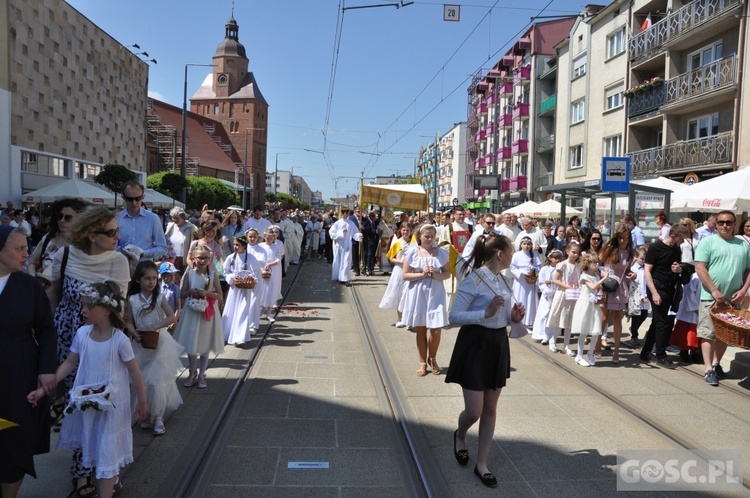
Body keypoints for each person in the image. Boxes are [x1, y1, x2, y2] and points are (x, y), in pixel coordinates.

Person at [29, 281, 147, 498]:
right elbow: (69, 363)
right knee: (93, 448)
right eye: (82, 305)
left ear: (106, 309)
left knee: (107, 452)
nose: (82, 310)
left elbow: (135, 372)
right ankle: (104, 485)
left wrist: (142, 401)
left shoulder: (119, 340)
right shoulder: (82, 334)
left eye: (88, 306)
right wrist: (45, 390)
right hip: (89, 403)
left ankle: (106, 492)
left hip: (111, 407)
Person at [48, 206, 130, 496]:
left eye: (117, 231)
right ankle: (81, 471)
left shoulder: (118, 261)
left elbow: (118, 308)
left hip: (103, 342)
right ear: (92, 235)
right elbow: (54, 297)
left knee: (105, 404)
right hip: (69, 338)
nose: (117, 236)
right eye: (111, 232)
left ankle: (107, 467)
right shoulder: (65, 255)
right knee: (79, 405)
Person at [445, 233, 525, 488]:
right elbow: (454, 316)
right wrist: (485, 312)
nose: (513, 256)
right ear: (499, 254)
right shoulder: (474, 280)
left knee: (490, 408)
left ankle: (482, 464)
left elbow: (502, 317)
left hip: (497, 344)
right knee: (474, 411)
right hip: (475, 344)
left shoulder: (504, 279)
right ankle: (460, 434)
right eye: (510, 251)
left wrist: (514, 317)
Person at [0, 227, 57, 498]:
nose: (26, 254)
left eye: (26, 247)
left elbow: (46, 329)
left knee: (14, 444)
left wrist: (46, 370)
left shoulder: (28, 286)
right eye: (19, 249)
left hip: (18, 377)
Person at [124, 261, 182, 436]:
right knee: (142, 380)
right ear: (138, 280)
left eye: (154, 278)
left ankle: (158, 417)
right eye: (147, 278)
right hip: (141, 344)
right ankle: (145, 411)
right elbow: (128, 320)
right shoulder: (132, 300)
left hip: (160, 343)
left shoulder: (159, 298)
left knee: (157, 381)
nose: (151, 282)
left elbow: (171, 317)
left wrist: (155, 326)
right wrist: (134, 331)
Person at [694, 211, 750, 385]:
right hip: (711, 297)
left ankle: (717, 363)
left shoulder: (743, 244)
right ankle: (708, 369)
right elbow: (700, 268)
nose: (725, 225)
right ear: (716, 224)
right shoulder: (708, 242)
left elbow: (749, 270)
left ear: (734, 224)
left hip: (733, 298)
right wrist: (714, 290)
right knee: (708, 334)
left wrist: (743, 290)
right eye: (721, 222)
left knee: (725, 335)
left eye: (729, 222)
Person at [401, 224, 451, 376]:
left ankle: (433, 358)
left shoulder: (441, 253)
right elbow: (405, 275)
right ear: (419, 236)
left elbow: (447, 273)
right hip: (418, 293)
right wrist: (422, 274)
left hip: (436, 293)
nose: (429, 239)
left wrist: (435, 275)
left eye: (431, 236)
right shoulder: (412, 252)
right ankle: (422, 362)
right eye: (426, 236)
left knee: (436, 330)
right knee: (421, 329)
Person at [173, 244, 224, 390]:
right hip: (192, 310)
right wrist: (190, 292)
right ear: (194, 258)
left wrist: (207, 293)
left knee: (204, 343)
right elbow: (181, 294)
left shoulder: (212, 274)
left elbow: (220, 295)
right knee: (191, 342)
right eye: (200, 258)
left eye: (206, 258)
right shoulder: (189, 272)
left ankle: (202, 374)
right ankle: (192, 372)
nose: (203, 260)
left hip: (207, 310)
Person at [639, 224, 690, 367]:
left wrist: (679, 269)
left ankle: (645, 352)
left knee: (657, 321)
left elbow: (679, 265)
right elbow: (647, 271)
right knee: (663, 323)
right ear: (673, 236)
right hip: (656, 287)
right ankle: (660, 355)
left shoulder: (676, 248)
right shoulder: (656, 247)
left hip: (670, 288)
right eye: (681, 239)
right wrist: (654, 293)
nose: (683, 242)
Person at [597, 227, 635, 363]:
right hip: (607, 284)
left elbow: (627, 269)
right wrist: (604, 274)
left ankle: (616, 351)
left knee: (618, 317)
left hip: (620, 286)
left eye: (625, 238)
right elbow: (598, 262)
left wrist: (632, 274)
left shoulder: (630, 253)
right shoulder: (610, 249)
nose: (622, 240)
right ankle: (597, 345)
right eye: (620, 237)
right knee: (604, 317)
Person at [222, 236, 262, 345]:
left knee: (243, 310)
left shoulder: (251, 258)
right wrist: (232, 278)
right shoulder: (231, 258)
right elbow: (226, 272)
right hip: (234, 289)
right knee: (232, 309)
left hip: (245, 290)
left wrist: (249, 277)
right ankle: (228, 333)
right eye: (234, 244)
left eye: (237, 245)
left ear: (244, 246)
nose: (235, 247)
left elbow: (255, 272)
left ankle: (240, 337)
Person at [571, 252, 607, 367]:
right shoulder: (584, 275)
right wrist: (604, 278)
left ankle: (590, 353)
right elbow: (592, 287)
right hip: (585, 304)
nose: (596, 264)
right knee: (584, 330)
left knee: (596, 330)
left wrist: (600, 290)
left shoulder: (596, 275)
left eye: (596, 262)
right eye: (593, 262)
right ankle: (579, 355)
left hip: (594, 304)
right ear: (587, 263)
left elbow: (598, 288)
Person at [116, 181, 167, 262]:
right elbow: (112, 246)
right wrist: (121, 251)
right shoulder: (117, 219)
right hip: (122, 267)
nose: (134, 202)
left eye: (137, 198)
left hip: (144, 268)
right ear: (124, 198)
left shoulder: (152, 218)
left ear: (143, 197)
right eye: (130, 199)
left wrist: (143, 253)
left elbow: (162, 248)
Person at [548, 241, 581, 355]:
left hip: (573, 296)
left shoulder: (578, 266)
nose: (575, 255)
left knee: (569, 320)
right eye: (573, 252)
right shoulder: (562, 264)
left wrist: (579, 288)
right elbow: (556, 280)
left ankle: (566, 346)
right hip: (563, 294)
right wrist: (567, 286)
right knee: (559, 317)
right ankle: (553, 341)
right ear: (567, 251)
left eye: (577, 253)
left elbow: (579, 279)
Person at [379, 223, 414, 327]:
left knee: (409, 294)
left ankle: (409, 319)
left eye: (407, 230)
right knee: (399, 294)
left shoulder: (414, 243)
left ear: (410, 231)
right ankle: (400, 317)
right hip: (399, 270)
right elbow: (391, 257)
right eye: (403, 230)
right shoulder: (397, 242)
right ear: (400, 231)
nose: (405, 232)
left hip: (411, 271)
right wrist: (400, 261)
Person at [531, 250, 562, 344]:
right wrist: (547, 292)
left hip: (557, 294)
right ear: (550, 258)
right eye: (555, 258)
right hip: (547, 296)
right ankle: (542, 334)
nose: (557, 260)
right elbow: (541, 282)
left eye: (559, 258)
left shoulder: (561, 269)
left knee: (553, 315)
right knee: (544, 314)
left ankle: (550, 335)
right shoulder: (545, 269)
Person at [510, 236, 541, 328]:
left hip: (530, 281)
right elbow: (512, 267)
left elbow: (538, 266)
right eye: (524, 244)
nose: (527, 246)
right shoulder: (517, 255)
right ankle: (519, 319)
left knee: (530, 299)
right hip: (520, 282)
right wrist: (521, 273)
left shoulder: (534, 255)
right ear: (521, 245)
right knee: (521, 297)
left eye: (528, 244)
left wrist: (533, 271)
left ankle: (529, 320)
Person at [330, 209, 360, 286]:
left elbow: (355, 232)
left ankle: (344, 278)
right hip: (340, 244)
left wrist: (359, 235)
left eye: (348, 213)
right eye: (346, 213)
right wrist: (341, 232)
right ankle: (338, 276)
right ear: (343, 213)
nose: (347, 215)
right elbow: (332, 233)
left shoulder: (351, 223)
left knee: (346, 260)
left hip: (347, 243)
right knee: (339, 260)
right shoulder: (337, 223)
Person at [259, 228, 283, 320]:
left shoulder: (275, 247)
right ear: (264, 237)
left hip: (272, 270)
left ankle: (269, 312)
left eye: (271, 238)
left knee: (270, 291)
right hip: (262, 270)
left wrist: (269, 264)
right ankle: (261, 309)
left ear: (274, 238)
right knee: (262, 290)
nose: (269, 240)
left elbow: (278, 259)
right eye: (267, 238)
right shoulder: (261, 246)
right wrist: (263, 264)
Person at [164, 208, 197, 276]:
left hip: (184, 260)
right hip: (171, 258)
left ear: (183, 217)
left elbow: (194, 245)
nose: (174, 220)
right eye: (173, 218)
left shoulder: (192, 227)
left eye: (177, 218)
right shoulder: (170, 226)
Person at [628, 247, 649, 347]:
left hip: (644, 295)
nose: (644, 261)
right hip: (636, 295)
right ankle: (634, 336)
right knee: (636, 316)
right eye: (642, 259)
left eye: (645, 259)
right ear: (636, 257)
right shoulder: (633, 269)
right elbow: (635, 283)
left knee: (644, 315)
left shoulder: (646, 268)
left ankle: (633, 329)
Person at [362, 211, 381, 276]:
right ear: (369, 216)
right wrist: (375, 231)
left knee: (373, 255)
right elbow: (366, 229)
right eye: (372, 216)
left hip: (375, 240)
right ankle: (367, 268)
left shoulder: (375, 222)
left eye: (374, 216)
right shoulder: (366, 222)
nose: (373, 217)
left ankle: (371, 268)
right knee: (369, 254)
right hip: (368, 240)